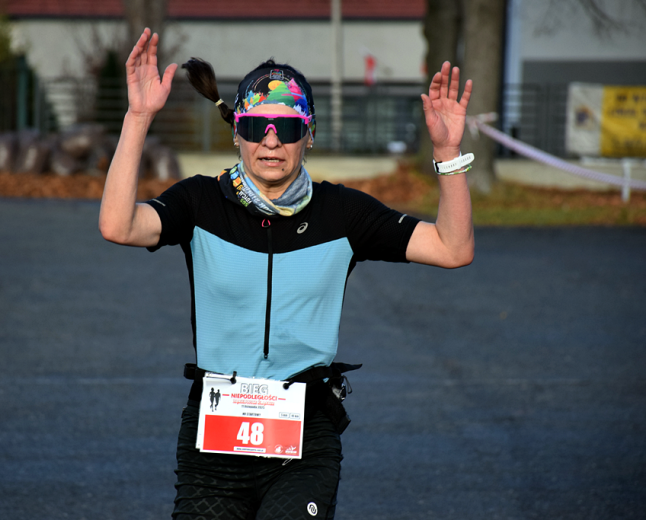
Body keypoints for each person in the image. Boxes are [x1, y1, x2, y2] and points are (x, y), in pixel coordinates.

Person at [100, 28, 474, 519]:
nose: (271, 142)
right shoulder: (199, 202)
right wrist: (138, 117)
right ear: (237, 133)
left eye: (288, 128)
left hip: (305, 433)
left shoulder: (343, 212)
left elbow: (453, 247)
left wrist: (448, 155)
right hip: (214, 435)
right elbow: (117, 224)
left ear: (310, 134)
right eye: (256, 127)